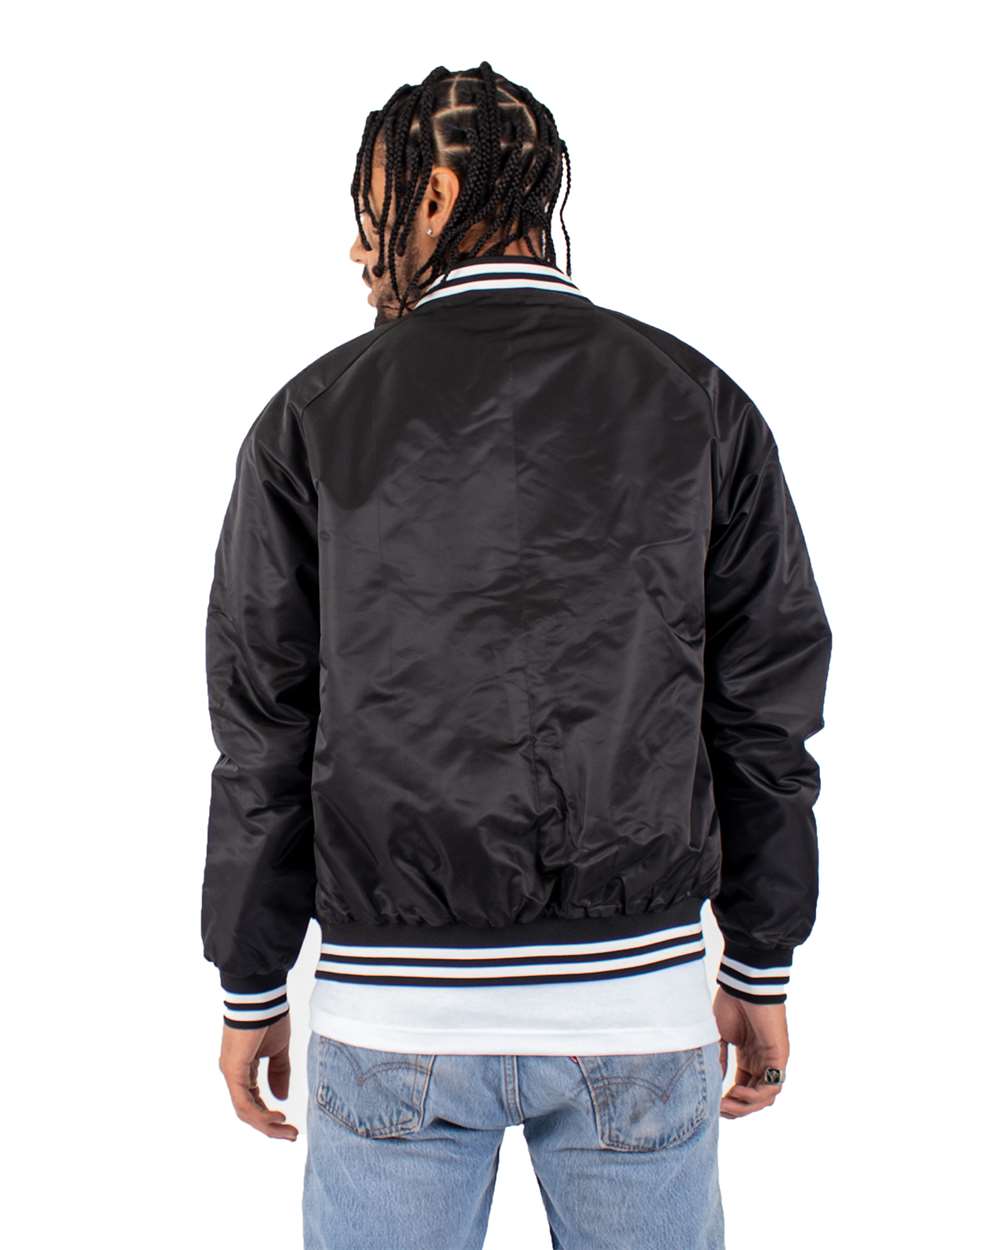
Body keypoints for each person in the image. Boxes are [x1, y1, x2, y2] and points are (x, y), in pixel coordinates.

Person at [200, 60, 833, 1250]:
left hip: (392, 1018)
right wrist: (759, 961)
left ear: (437, 196)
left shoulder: (312, 415)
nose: (359, 247)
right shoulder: (696, 398)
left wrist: (250, 979)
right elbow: (765, 712)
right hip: (636, 1005)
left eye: (373, 209)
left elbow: (262, 732)